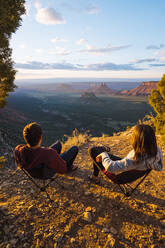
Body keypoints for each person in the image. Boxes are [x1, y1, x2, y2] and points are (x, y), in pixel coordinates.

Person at [88, 124, 163, 184]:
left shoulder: (135, 157)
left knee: (92, 151)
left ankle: (96, 174)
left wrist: (104, 154)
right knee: (100, 152)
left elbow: (110, 168)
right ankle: (103, 149)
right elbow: (159, 167)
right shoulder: (156, 150)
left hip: (119, 177)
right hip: (131, 170)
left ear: (137, 140)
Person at [14, 122, 79, 175]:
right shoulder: (49, 152)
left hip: (34, 172)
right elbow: (62, 169)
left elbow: (19, 163)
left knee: (58, 144)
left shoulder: (19, 149)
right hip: (46, 173)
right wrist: (60, 161)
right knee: (74, 148)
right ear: (40, 138)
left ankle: (58, 159)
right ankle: (69, 168)